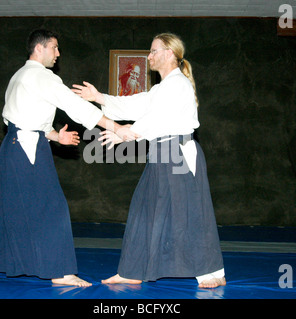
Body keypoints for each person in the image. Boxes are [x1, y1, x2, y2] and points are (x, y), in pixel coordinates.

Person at [0, 29, 137, 287]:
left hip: (13, 147)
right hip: (28, 149)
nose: (58, 53)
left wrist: (56, 137)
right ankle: (61, 272)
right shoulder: (42, 77)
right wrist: (115, 127)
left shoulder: (18, 76)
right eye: (54, 47)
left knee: (1, 207)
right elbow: (76, 107)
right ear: (39, 49)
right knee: (53, 207)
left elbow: (22, 117)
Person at [72, 33, 226, 288]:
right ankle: (132, 270)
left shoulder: (178, 85)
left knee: (188, 213)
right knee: (143, 211)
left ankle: (212, 273)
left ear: (169, 54)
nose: (150, 56)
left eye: (154, 51)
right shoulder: (161, 88)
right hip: (161, 154)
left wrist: (126, 135)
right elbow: (136, 104)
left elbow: (160, 118)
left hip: (178, 153)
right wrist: (99, 97)